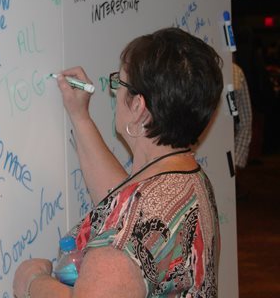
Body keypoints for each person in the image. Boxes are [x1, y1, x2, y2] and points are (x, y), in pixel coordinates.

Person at [13, 27, 223, 297]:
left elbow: (128, 227)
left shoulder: (126, 240)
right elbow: (122, 200)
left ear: (138, 106)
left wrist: (32, 283)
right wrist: (80, 116)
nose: (114, 91)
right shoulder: (185, 179)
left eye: (119, 83)